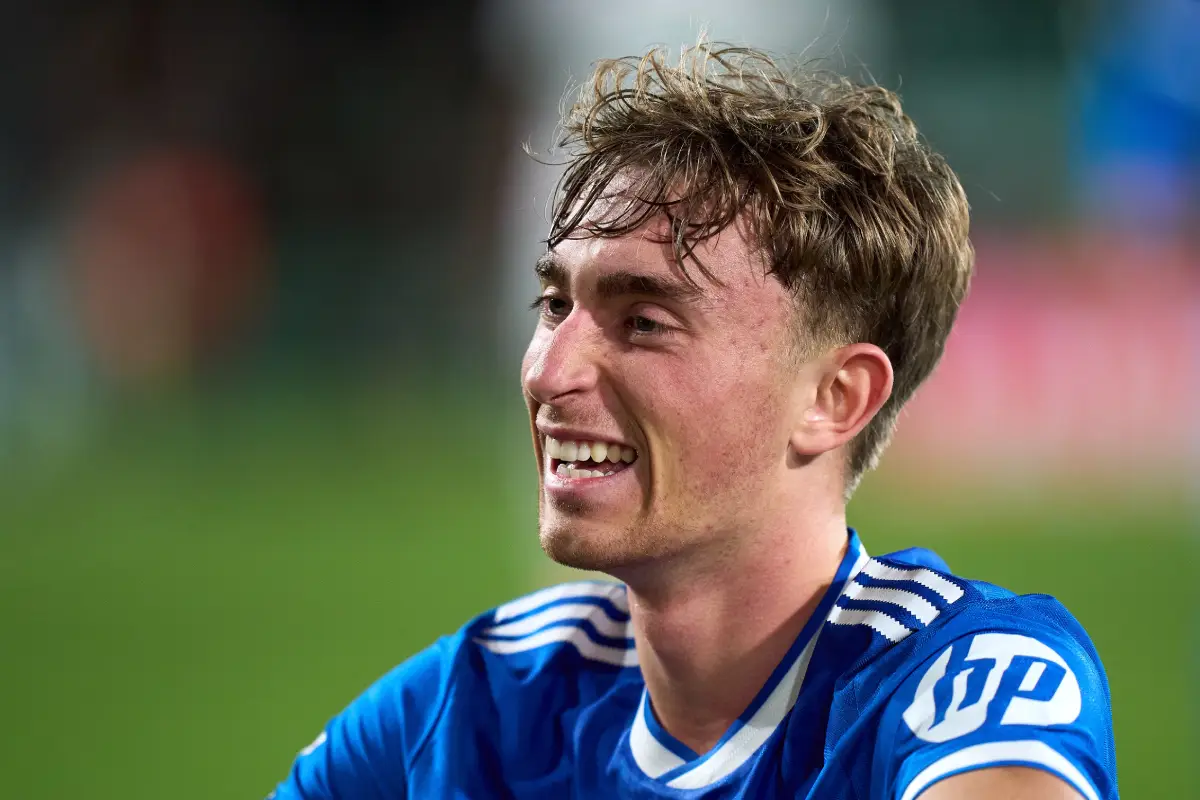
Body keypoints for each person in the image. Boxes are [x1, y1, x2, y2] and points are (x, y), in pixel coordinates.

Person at [269, 44, 1116, 799]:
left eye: (644, 322)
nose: (549, 373)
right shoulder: (480, 707)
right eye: (555, 303)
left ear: (834, 399)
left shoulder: (957, 683)